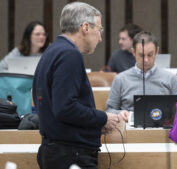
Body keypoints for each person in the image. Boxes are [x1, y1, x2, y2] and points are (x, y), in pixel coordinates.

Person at [33, 2, 126, 169]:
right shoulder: (69, 54)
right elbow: (65, 108)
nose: (100, 38)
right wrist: (102, 118)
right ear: (85, 27)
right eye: (99, 29)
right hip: (71, 154)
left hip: (57, 149)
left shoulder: (52, 52)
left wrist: (95, 125)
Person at [106, 31, 177, 117]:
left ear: (157, 51)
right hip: (129, 127)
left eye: (150, 55)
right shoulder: (120, 79)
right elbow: (109, 110)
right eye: (141, 55)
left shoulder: (171, 79)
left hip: (162, 126)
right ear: (133, 52)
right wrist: (119, 113)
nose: (146, 60)